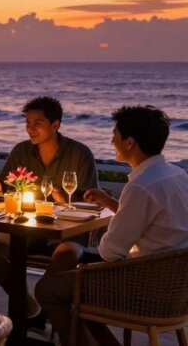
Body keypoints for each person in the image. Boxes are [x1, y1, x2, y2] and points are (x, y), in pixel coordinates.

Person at [36, 106, 188, 346]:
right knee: (70, 258)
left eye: (115, 134)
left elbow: (110, 252)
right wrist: (111, 203)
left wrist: (113, 222)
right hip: (178, 290)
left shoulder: (141, 186)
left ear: (129, 143)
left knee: (48, 290)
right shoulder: (177, 175)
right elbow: (157, 221)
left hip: (143, 288)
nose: (111, 140)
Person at [0, 96, 98, 329]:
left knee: (65, 255)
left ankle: (48, 305)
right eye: (27, 122)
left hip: (68, 231)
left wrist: (63, 199)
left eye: (38, 123)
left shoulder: (79, 153)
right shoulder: (21, 151)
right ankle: (31, 309)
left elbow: (92, 203)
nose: (31, 128)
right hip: (28, 227)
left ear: (55, 125)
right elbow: (4, 186)